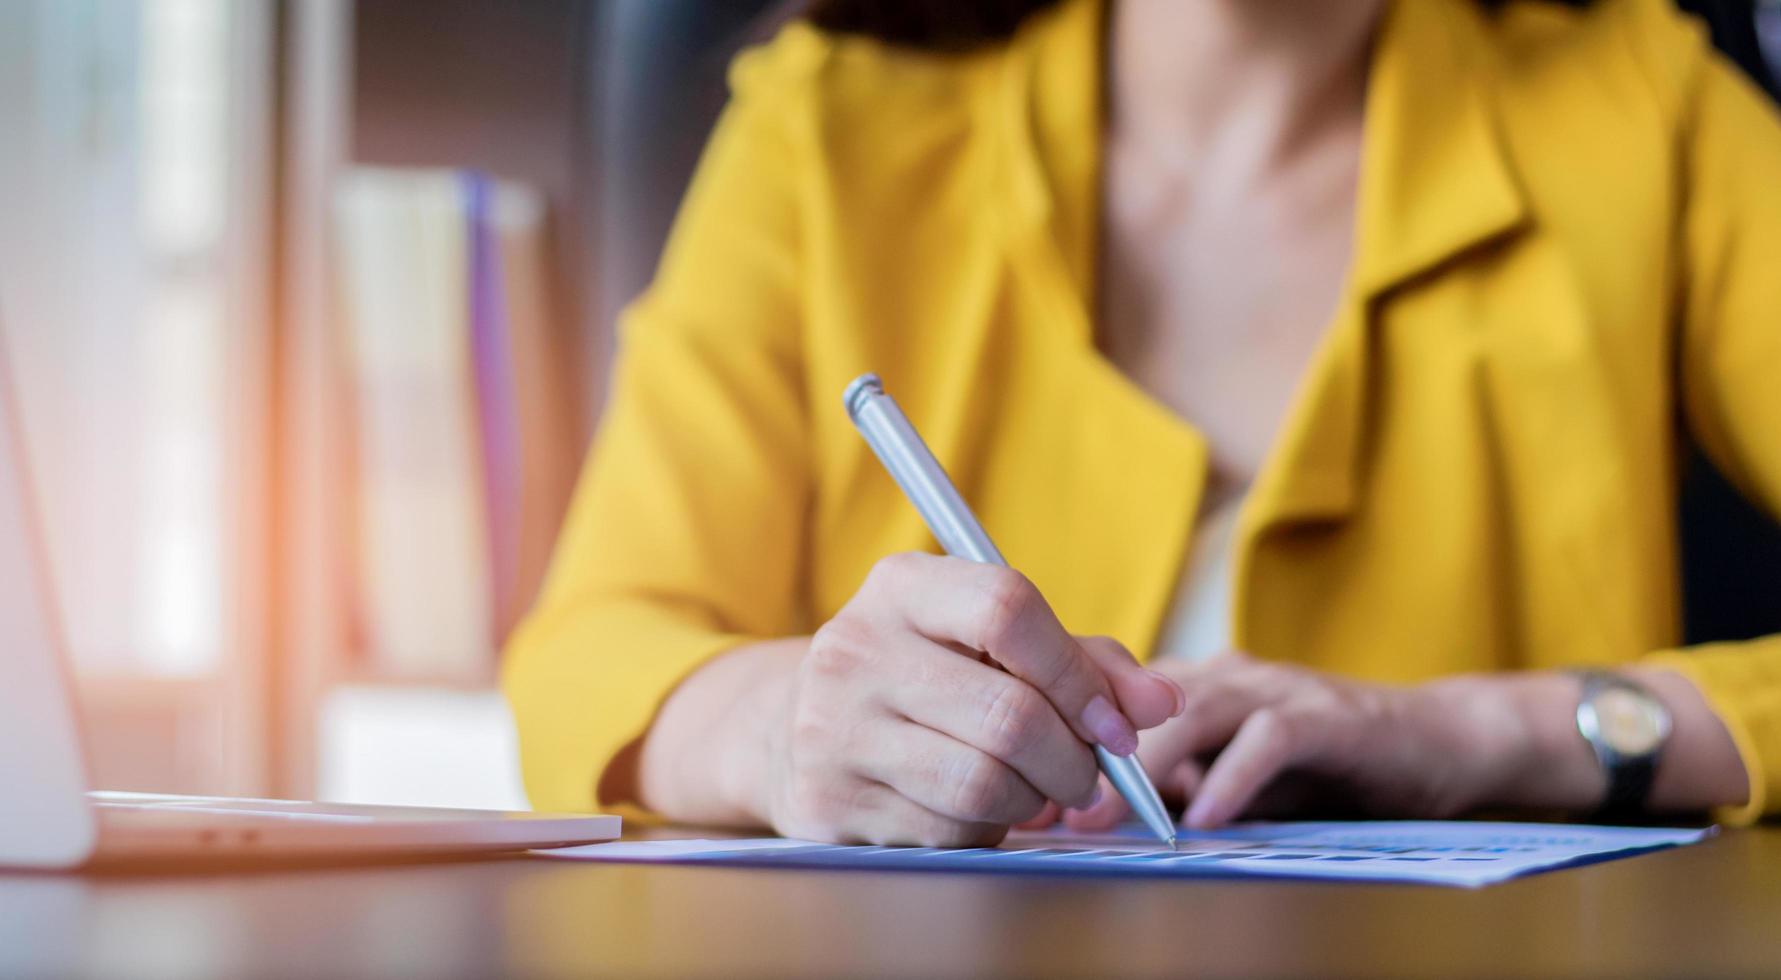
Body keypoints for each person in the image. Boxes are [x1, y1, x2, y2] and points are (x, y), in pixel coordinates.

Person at [504, 0, 1781, 846]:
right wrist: (782, 729)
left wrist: (1494, 730)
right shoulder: (827, 131)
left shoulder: (1641, 114)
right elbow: (584, 660)